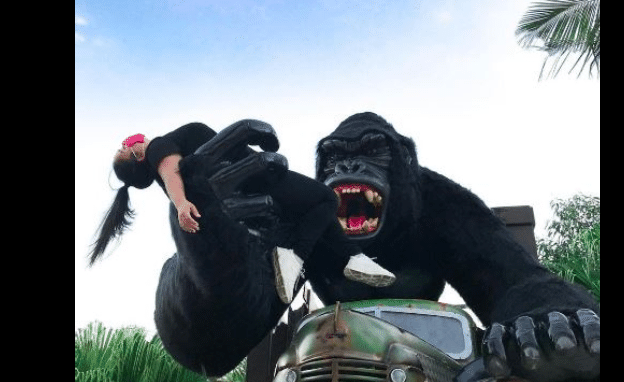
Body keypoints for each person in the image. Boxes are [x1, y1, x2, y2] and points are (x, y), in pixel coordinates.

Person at [89, 121, 395, 304]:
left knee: (317, 208)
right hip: (258, 177)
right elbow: (171, 172)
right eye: (126, 144)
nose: (132, 138)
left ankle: (353, 258)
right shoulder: (158, 148)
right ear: (137, 154)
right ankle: (295, 256)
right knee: (327, 198)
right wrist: (181, 204)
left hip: (249, 183)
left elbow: (174, 175)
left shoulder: (164, 156)